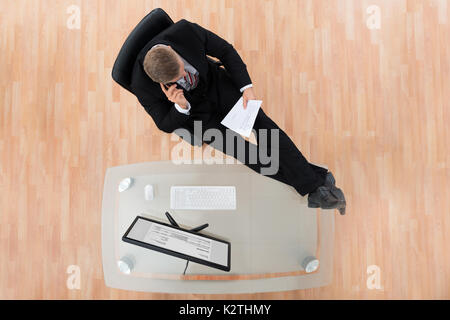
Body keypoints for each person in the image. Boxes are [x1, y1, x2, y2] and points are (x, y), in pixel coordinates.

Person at [129, 19, 346, 215]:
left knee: (264, 127)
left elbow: (225, 51)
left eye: (182, 69)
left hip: (217, 86)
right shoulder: (141, 85)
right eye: (179, 78)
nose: (185, 76)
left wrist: (246, 88)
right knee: (246, 153)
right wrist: (180, 107)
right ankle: (318, 182)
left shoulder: (184, 32)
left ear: (170, 49)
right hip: (198, 116)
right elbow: (164, 124)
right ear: (159, 83)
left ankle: (315, 188)